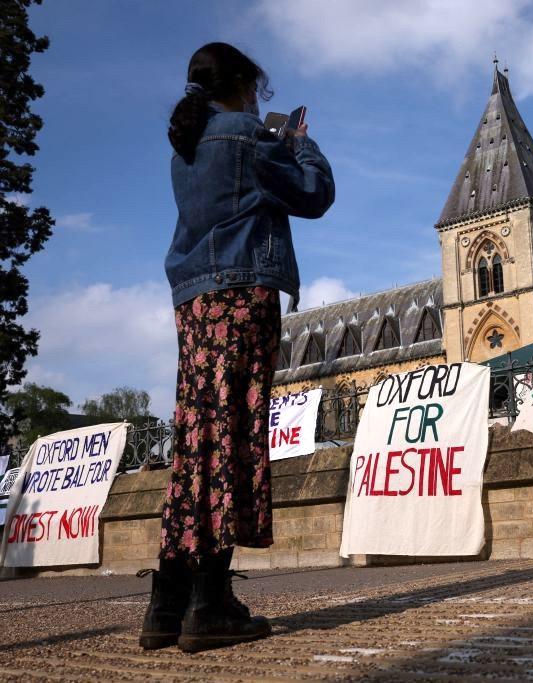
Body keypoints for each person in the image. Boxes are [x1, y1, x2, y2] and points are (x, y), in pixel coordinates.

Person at [140, 42, 334, 653]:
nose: (257, 99)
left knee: (197, 438)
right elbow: (314, 194)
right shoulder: (251, 135)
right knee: (234, 435)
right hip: (242, 294)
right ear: (243, 84)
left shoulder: (186, 147)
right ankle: (210, 604)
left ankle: (168, 601)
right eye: (254, 88)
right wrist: (300, 141)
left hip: (194, 301)